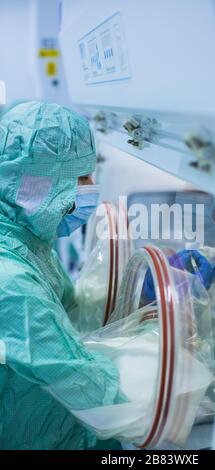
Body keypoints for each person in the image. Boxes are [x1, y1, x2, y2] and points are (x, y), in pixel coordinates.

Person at [0, 101, 123, 450]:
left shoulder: (28, 242)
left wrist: (141, 291)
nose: (90, 189)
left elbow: (66, 313)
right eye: (81, 177)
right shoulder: (9, 280)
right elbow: (84, 385)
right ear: (38, 183)